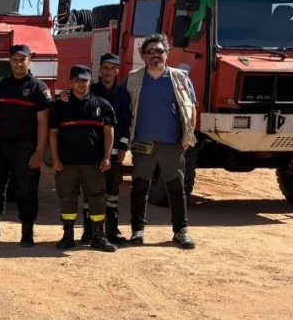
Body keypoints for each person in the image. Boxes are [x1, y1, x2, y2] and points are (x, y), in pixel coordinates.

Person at [126, 33, 198, 249]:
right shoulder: (133, 79)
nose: (155, 55)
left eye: (159, 51)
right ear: (143, 55)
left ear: (167, 54)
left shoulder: (180, 78)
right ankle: (137, 231)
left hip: (172, 144)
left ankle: (181, 231)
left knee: (176, 189)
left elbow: (191, 108)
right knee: (139, 188)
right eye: (150, 52)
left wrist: (187, 138)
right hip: (143, 144)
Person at [0, 44, 51, 247]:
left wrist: (40, 151)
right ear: (10, 62)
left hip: (25, 148)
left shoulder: (39, 88)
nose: (19, 64)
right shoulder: (0, 85)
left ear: (29, 61)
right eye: (15, 60)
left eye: (22, 60)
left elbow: (43, 122)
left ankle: (27, 231)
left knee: (26, 189)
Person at [49, 65, 118, 252]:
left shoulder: (102, 104)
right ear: (71, 82)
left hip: (93, 163)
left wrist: (107, 157)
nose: (81, 84)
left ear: (90, 82)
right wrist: (55, 158)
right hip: (67, 163)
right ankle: (68, 236)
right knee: (67, 198)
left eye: (84, 80)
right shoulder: (60, 106)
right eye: (77, 80)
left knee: (97, 199)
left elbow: (109, 132)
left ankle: (98, 237)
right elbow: (53, 133)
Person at [91, 52, 132, 244]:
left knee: (113, 190)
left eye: (112, 69)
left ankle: (112, 229)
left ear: (117, 71)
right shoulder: (91, 91)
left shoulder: (123, 95)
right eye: (105, 68)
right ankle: (91, 230)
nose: (108, 72)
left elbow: (126, 122)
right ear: (100, 70)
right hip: (93, 150)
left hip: (114, 152)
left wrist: (123, 145)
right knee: (92, 190)